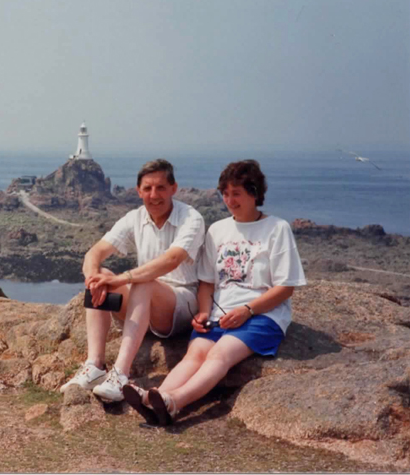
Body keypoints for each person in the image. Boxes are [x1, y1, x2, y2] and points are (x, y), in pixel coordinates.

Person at [122, 159, 306, 425]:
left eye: (237, 193)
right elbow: (207, 282)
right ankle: (155, 399)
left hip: (262, 316)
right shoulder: (218, 230)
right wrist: (204, 312)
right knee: (194, 355)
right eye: (225, 193)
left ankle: (175, 402)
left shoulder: (277, 229)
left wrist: (247, 310)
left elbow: (286, 287)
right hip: (220, 315)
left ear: (255, 193)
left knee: (220, 354)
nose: (230, 200)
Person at [59, 159, 205, 402]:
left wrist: (123, 279)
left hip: (181, 304)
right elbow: (94, 252)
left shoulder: (191, 218)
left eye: (160, 188)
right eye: (147, 188)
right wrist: (94, 279)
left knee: (142, 281)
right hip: (144, 303)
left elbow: (172, 259)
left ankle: (120, 374)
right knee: (103, 275)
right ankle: (95, 366)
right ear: (139, 191)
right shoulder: (135, 217)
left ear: (173, 188)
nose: (154, 195)